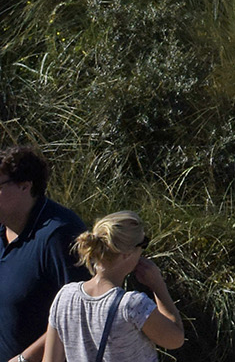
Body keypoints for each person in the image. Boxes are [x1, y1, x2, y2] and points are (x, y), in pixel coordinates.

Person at [44, 211, 184, 362]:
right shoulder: (132, 305)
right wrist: (157, 285)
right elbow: (175, 340)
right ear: (126, 253)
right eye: (143, 243)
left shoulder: (65, 297)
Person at [0, 146, 85, 362]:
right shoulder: (3, 228)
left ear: (25, 186)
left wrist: (24, 359)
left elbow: (80, 312)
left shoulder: (59, 235)